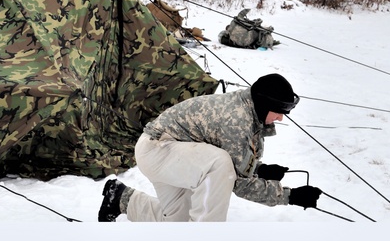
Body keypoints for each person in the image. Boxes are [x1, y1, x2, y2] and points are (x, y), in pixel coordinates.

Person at [97, 73, 321, 222]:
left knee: (178, 221)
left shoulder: (250, 112)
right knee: (219, 165)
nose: (281, 118)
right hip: (159, 150)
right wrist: (290, 197)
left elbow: (239, 161)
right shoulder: (237, 119)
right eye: (280, 111)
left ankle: (121, 198)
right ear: (264, 105)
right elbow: (238, 182)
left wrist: (259, 169)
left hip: (173, 154)